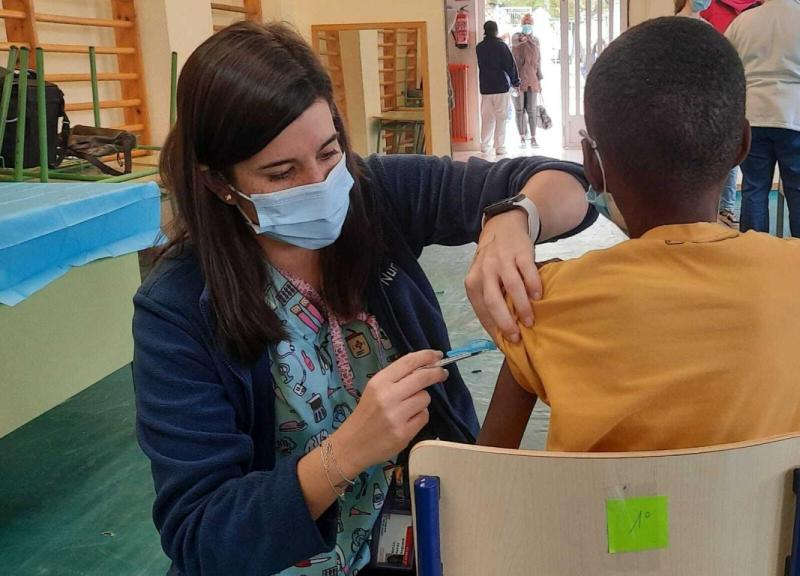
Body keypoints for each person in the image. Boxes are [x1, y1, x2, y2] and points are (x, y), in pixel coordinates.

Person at [133, 22, 593, 576]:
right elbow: (202, 537)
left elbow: (569, 183)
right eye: (282, 173)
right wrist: (347, 451)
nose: (319, 183)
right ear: (218, 184)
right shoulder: (177, 308)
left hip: (411, 540)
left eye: (329, 152)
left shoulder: (373, 195)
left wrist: (516, 216)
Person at [477, 17, 800, 453]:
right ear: (742, 144)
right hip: (756, 503)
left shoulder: (542, 299)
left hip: (597, 504)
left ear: (591, 164)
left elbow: (490, 463)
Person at [727, 0, 800, 244]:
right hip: (798, 115)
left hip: (754, 115)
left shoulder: (743, 21)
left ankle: (755, 253)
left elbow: (727, 65)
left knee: (754, 189)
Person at [675, 0, 742, 228]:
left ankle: (724, 209)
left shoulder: (707, 28)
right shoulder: (674, 26)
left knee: (723, 159)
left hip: (706, 104)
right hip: (681, 106)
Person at [476, 20, 520, 157]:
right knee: (501, 117)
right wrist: (515, 82)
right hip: (500, 86)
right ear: (496, 31)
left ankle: (485, 145)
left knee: (487, 117)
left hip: (485, 87)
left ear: (485, 31)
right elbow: (510, 65)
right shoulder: (501, 46)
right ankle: (499, 147)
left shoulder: (479, 47)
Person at [512, 13, 543, 149]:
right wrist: (522, 39)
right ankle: (522, 137)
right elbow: (514, 43)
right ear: (521, 24)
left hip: (532, 80)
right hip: (518, 80)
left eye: (529, 22)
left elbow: (538, 62)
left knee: (532, 110)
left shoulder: (536, 41)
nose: (527, 25)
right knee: (519, 110)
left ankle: (533, 138)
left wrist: (539, 81)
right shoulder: (516, 37)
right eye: (525, 22)